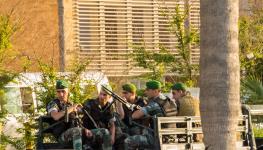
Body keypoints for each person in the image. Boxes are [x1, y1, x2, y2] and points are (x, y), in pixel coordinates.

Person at [46, 79, 95, 150]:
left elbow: (77, 121)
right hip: (62, 136)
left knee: (102, 131)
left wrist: (85, 129)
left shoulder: (70, 104)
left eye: (63, 91)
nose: (61, 94)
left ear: (68, 91)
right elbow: (55, 116)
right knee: (77, 131)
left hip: (75, 132)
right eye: (58, 92)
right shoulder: (54, 104)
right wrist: (71, 108)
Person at [124, 80, 170, 150]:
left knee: (128, 141)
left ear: (156, 91)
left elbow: (135, 116)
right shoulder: (169, 100)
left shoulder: (155, 104)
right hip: (170, 135)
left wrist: (136, 109)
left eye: (148, 90)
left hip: (157, 138)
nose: (145, 92)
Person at [82, 84, 116, 150]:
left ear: (109, 97)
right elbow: (80, 120)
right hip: (89, 132)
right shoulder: (89, 103)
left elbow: (112, 124)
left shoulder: (110, 107)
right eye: (101, 94)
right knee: (105, 131)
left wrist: (112, 137)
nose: (101, 96)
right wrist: (85, 129)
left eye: (104, 95)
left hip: (102, 135)